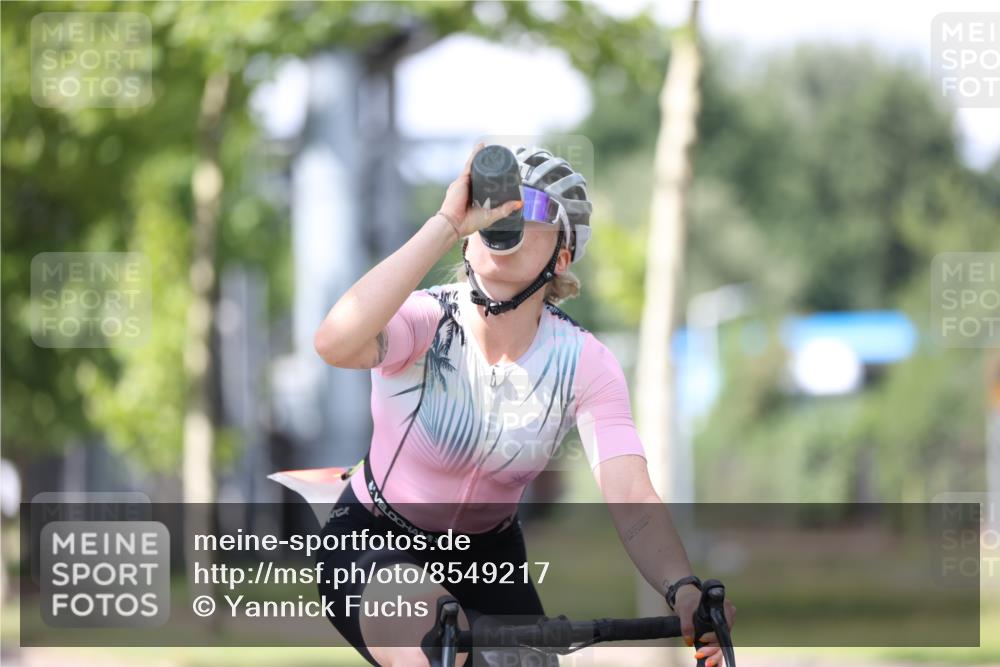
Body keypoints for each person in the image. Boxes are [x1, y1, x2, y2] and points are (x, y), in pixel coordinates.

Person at [312, 142, 736, 666]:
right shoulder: (424, 322)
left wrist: (683, 589)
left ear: (562, 256)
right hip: (374, 539)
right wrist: (446, 222)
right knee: (434, 647)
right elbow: (334, 342)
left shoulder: (584, 362)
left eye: (530, 206)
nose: (504, 216)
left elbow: (631, 496)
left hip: (489, 560)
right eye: (492, 203)